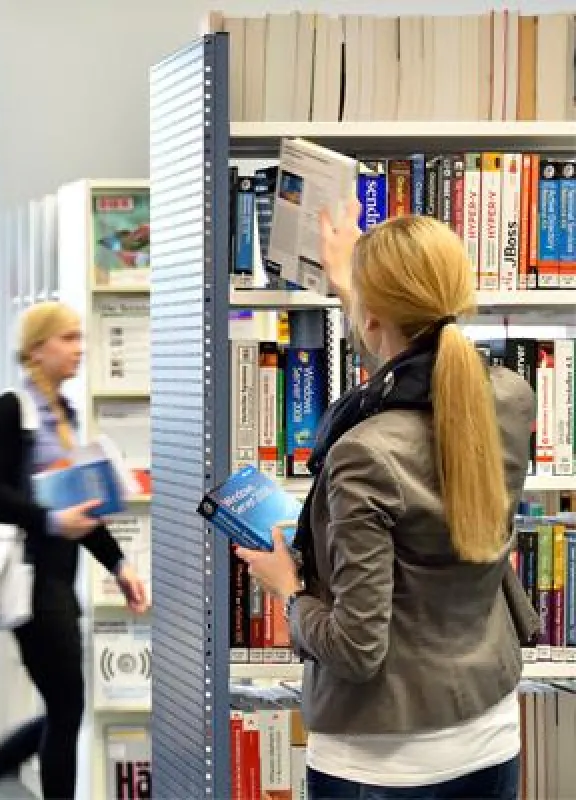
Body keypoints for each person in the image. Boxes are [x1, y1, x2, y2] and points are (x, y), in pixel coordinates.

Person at [236, 203, 534, 800]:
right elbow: (419, 371)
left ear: (372, 320)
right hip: (491, 730)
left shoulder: (364, 454)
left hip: (384, 758)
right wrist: (363, 288)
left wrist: (289, 591)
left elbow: (355, 648)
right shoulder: (510, 397)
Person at [0, 301, 150, 800]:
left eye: (81, 337)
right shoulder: (13, 409)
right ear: (37, 349)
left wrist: (118, 563)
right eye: (68, 338)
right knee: (67, 705)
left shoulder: (67, 416)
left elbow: (81, 511)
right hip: (27, 578)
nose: (80, 348)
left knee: (64, 707)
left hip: (58, 576)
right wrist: (51, 519)